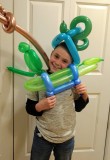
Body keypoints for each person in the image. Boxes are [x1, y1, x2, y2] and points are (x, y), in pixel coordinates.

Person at [25, 42, 89, 160]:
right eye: (56, 56)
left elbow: (78, 107)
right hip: (43, 136)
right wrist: (41, 106)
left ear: (70, 65)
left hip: (67, 137)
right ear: (51, 54)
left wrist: (84, 94)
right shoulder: (38, 80)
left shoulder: (71, 79)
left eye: (65, 61)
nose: (58, 62)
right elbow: (29, 107)